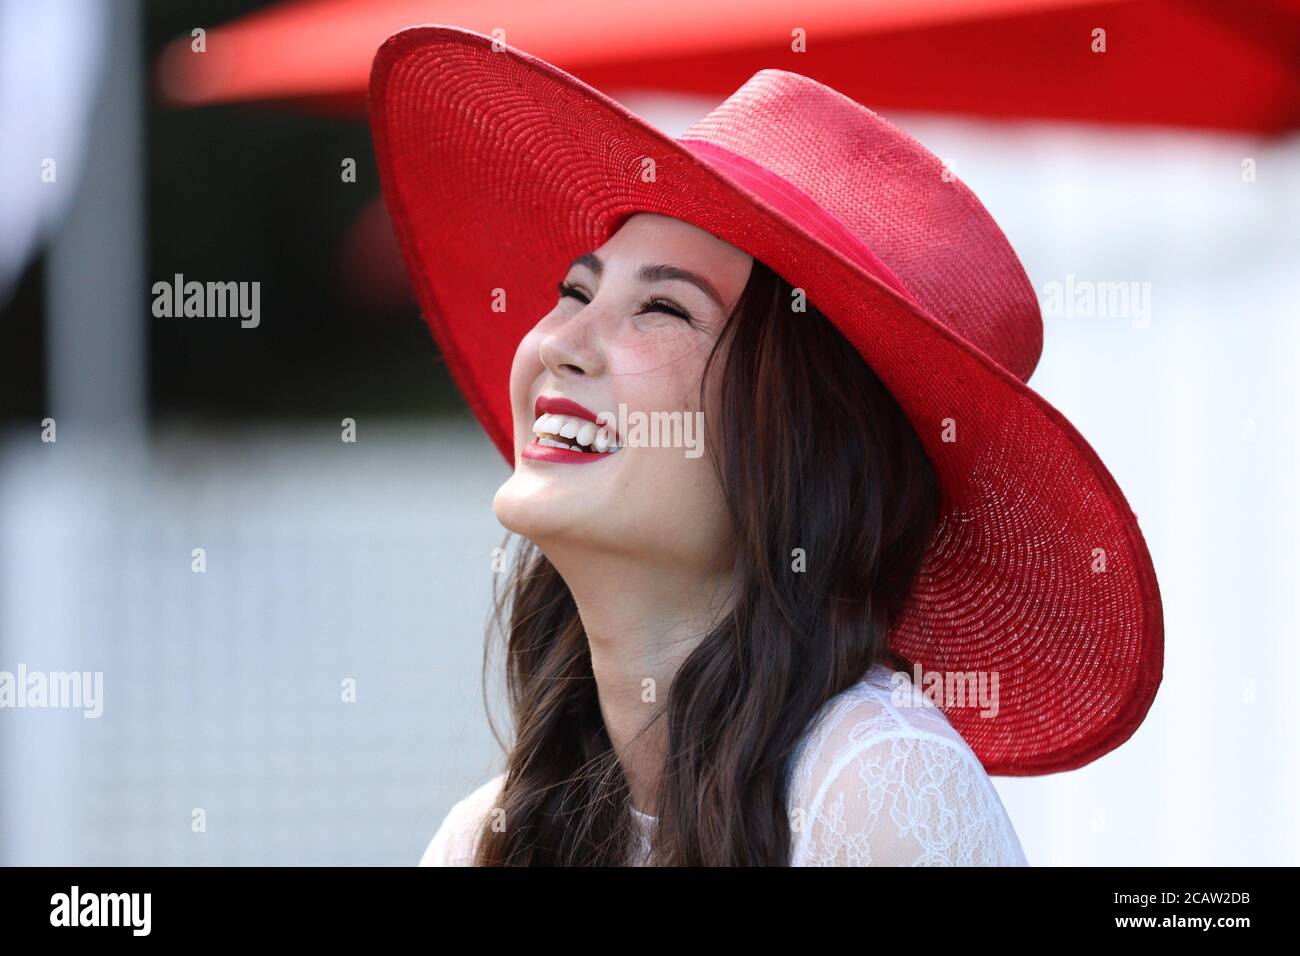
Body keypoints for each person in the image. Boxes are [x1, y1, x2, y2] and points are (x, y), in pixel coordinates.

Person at [367, 25, 1164, 866]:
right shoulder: (481, 839)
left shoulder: (869, 789)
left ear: (800, 439)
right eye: (575, 290)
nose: (563, 341)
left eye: (662, 309)